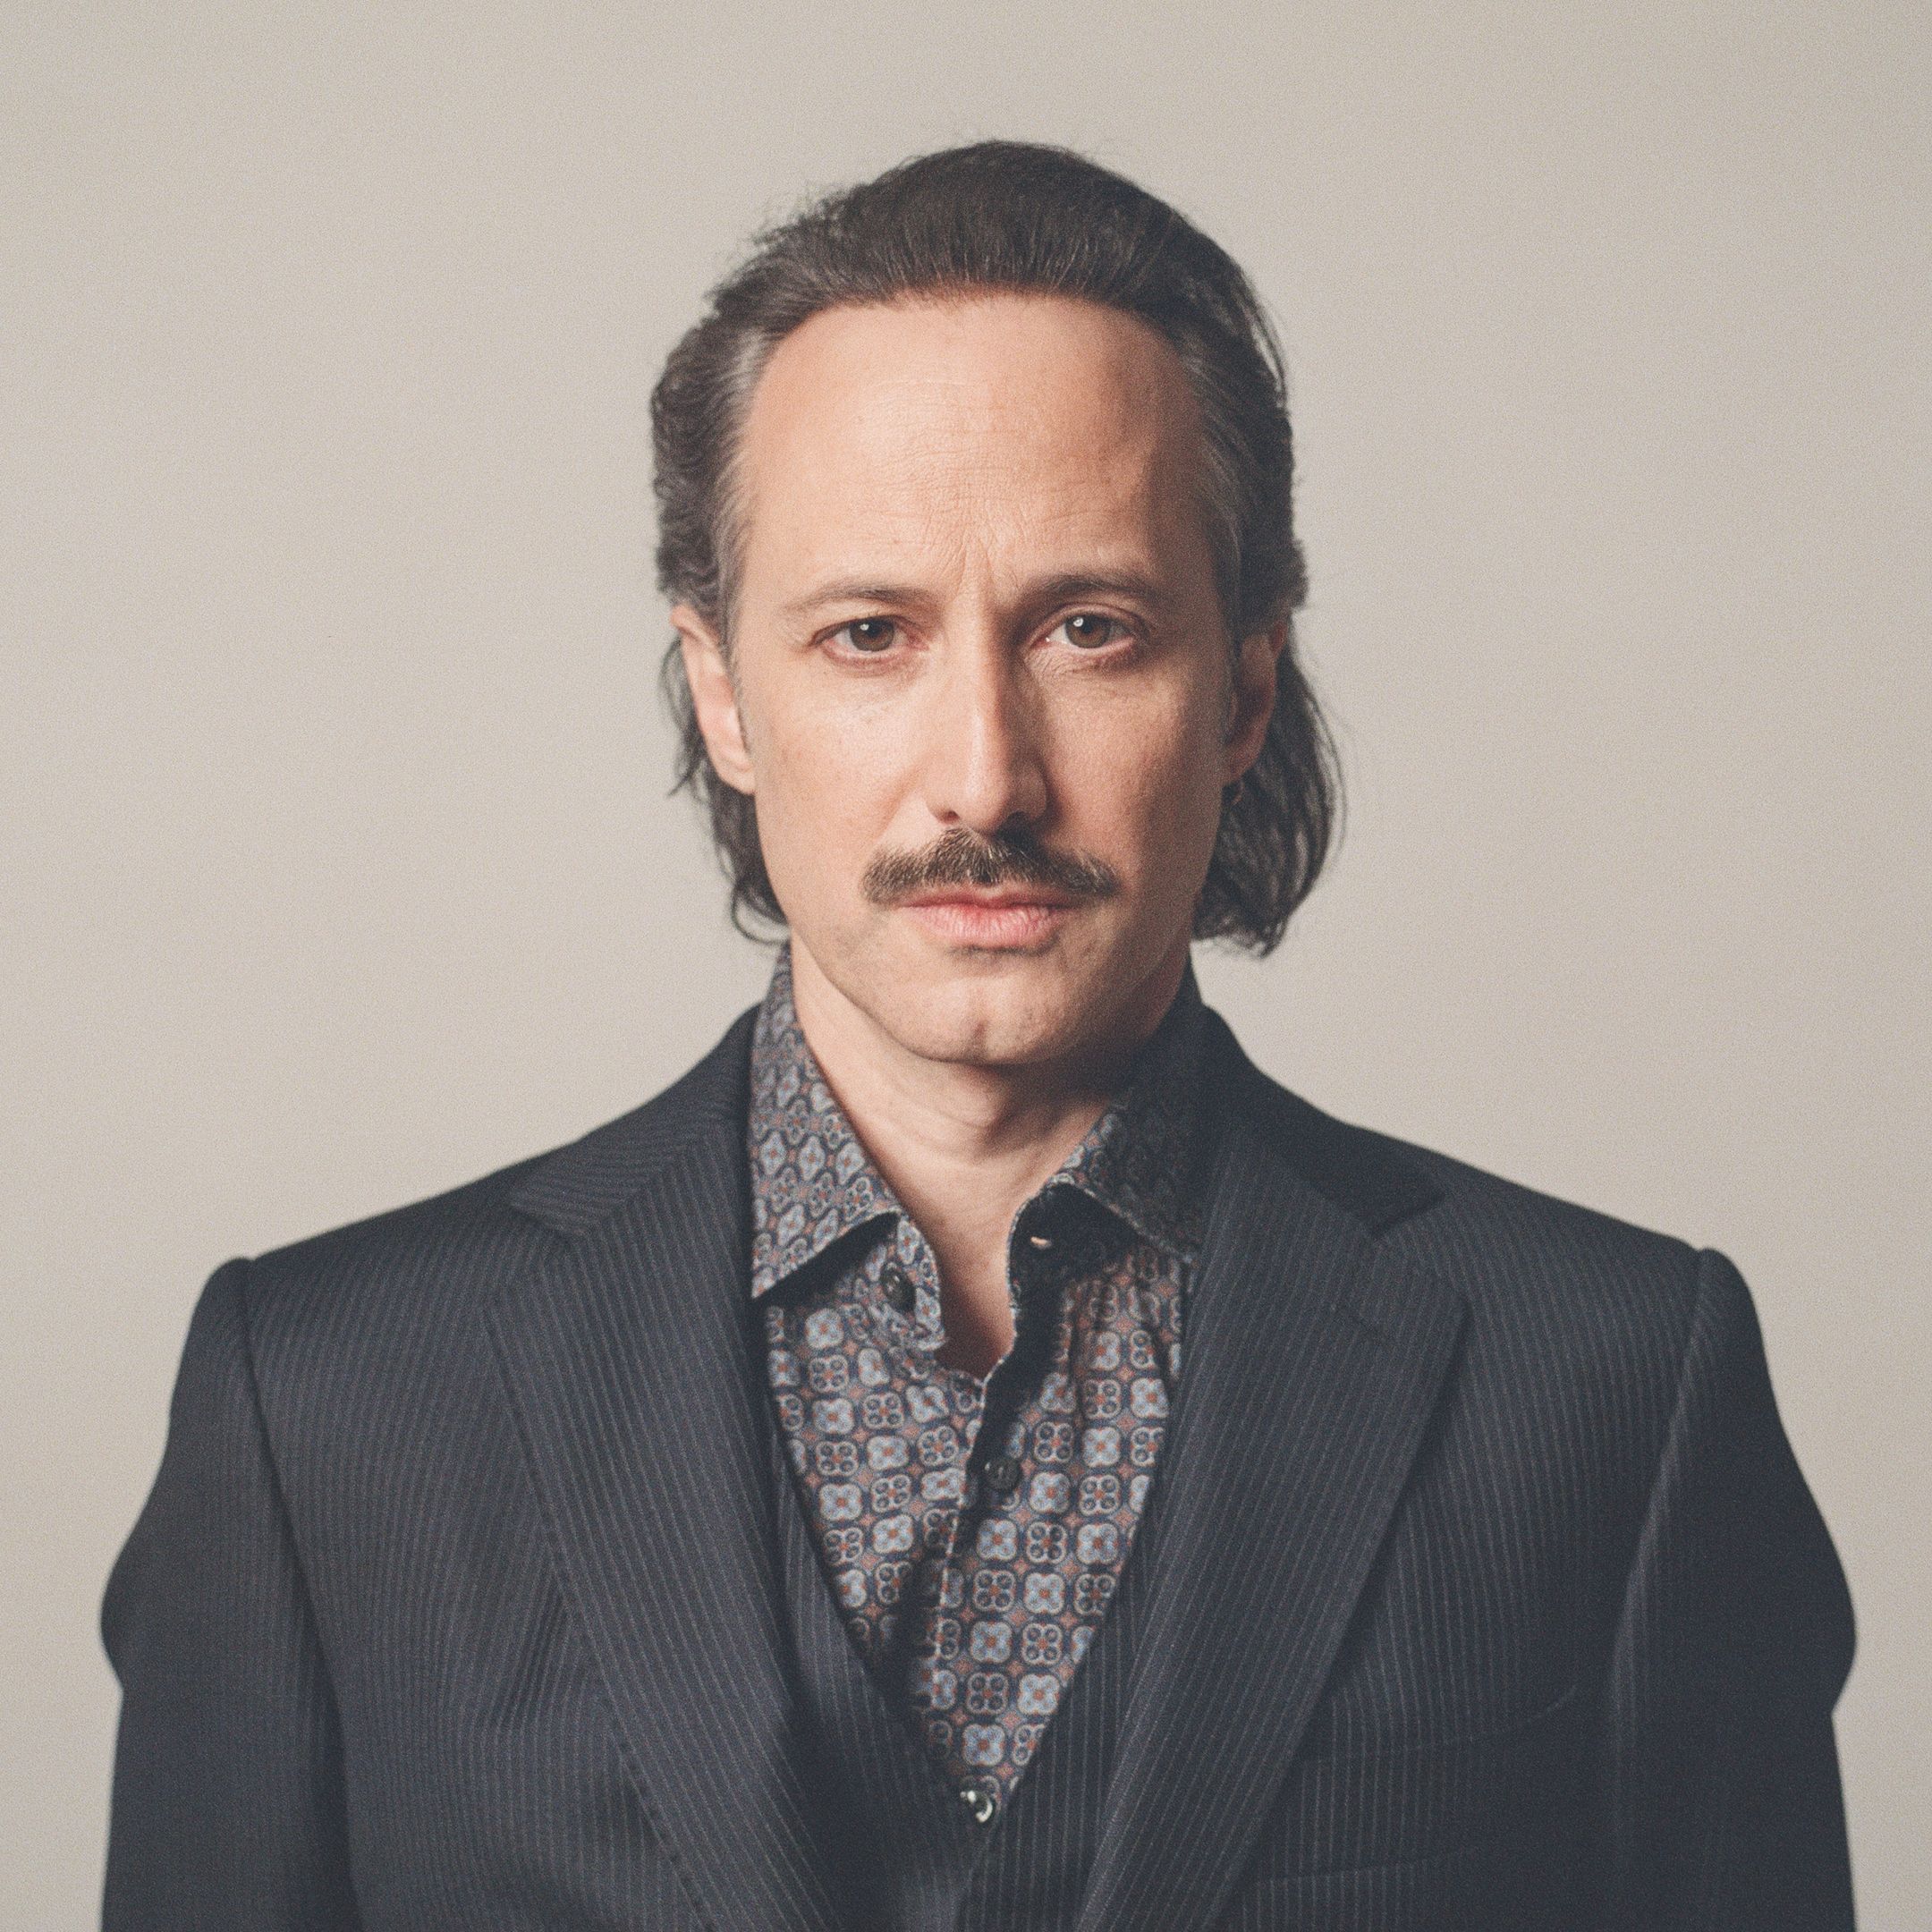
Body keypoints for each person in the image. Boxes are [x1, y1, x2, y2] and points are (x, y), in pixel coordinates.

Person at [101, 141, 1855, 1932]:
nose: (986, 778)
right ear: (723, 692)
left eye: (1092, 630)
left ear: (1245, 688)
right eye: (870, 634)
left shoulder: (1613, 1392)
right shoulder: (326, 1411)